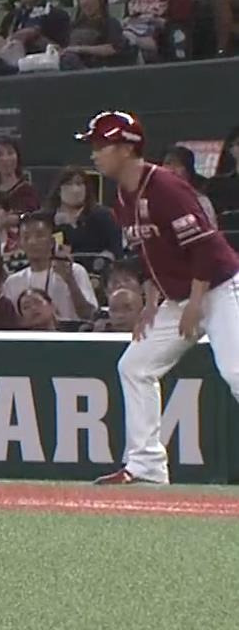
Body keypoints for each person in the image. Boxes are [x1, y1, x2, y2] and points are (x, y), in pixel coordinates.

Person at [75, 112, 239, 485]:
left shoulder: (166, 186)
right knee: (135, 366)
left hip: (219, 287)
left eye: (101, 146)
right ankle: (146, 466)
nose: (95, 154)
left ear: (126, 148)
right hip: (180, 296)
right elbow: (147, 253)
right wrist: (151, 304)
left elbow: (205, 249)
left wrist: (195, 304)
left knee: (236, 372)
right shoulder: (121, 195)